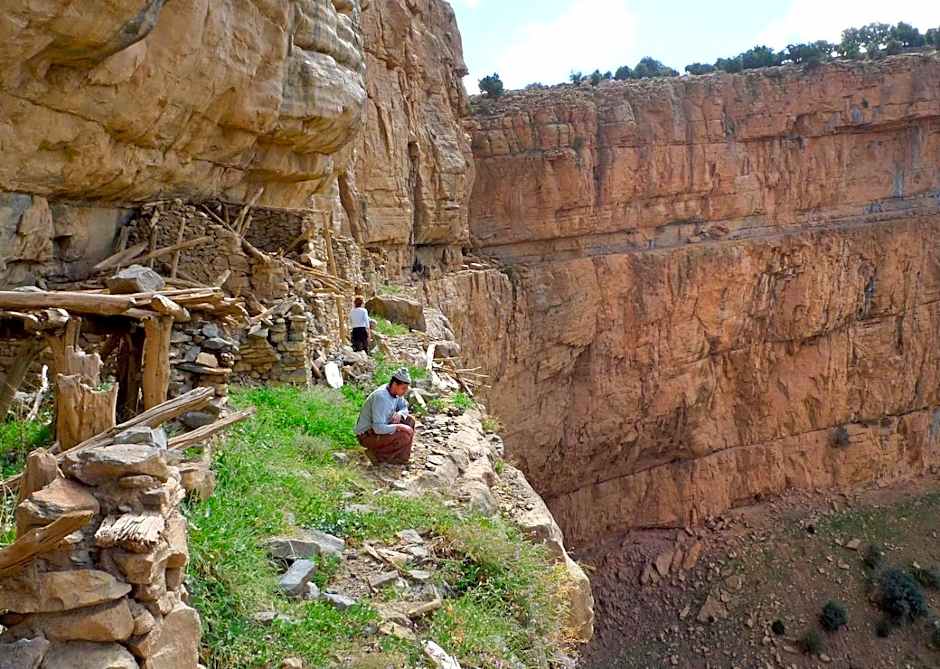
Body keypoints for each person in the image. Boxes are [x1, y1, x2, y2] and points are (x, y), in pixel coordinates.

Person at [355, 367, 415, 465]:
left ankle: (402, 458)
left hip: (382, 426)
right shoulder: (381, 397)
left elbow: (404, 407)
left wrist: (400, 414)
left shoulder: (395, 393)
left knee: (410, 421)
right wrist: (399, 426)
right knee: (404, 435)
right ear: (395, 384)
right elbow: (378, 428)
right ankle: (377, 455)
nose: (405, 392)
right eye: (403, 388)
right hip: (367, 435)